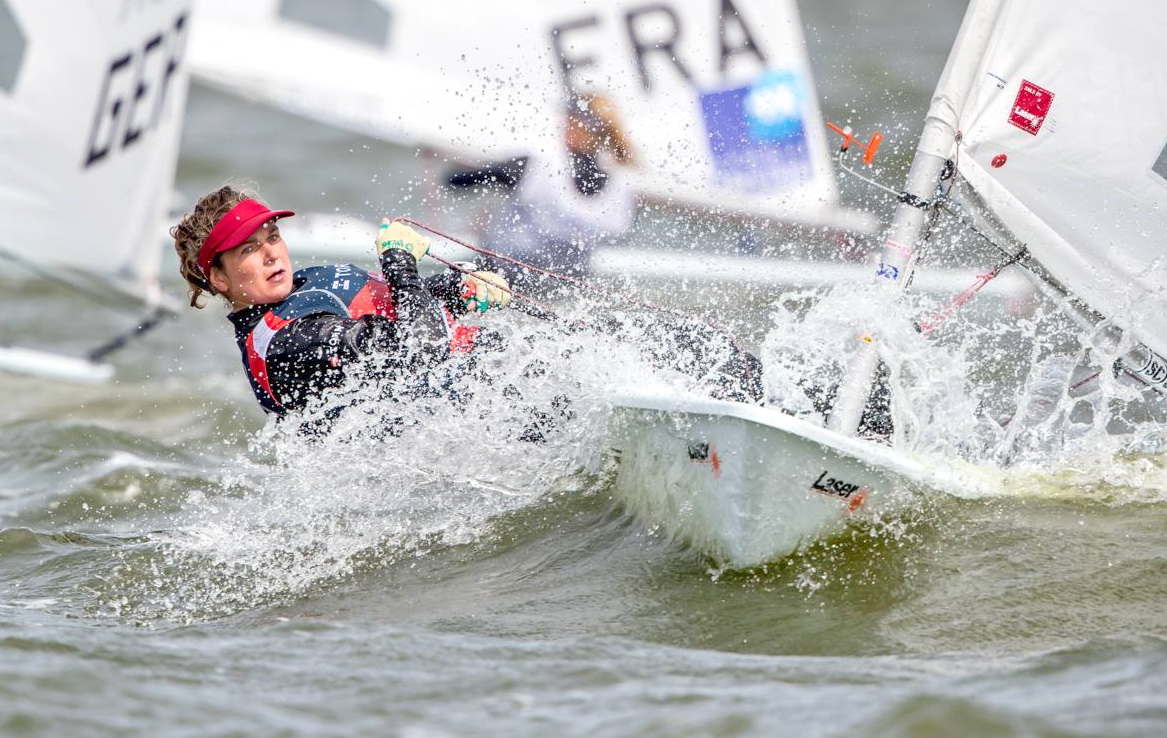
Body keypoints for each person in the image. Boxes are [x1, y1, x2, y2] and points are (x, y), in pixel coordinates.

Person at [171, 184, 511, 418]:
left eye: (272, 237)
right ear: (219, 278)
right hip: (473, 420)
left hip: (495, 380)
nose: (271, 253)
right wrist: (399, 262)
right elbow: (422, 348)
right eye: (249, 249)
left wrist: (457, 288)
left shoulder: (308, 286)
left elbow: (388, 305)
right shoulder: (287, 343)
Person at [447, 93, 638, 294]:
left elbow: (456, 180)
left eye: (568, 120)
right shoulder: (622, 183)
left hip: (498, 283)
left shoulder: (538, 164)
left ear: (576, 125)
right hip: (567, 290)